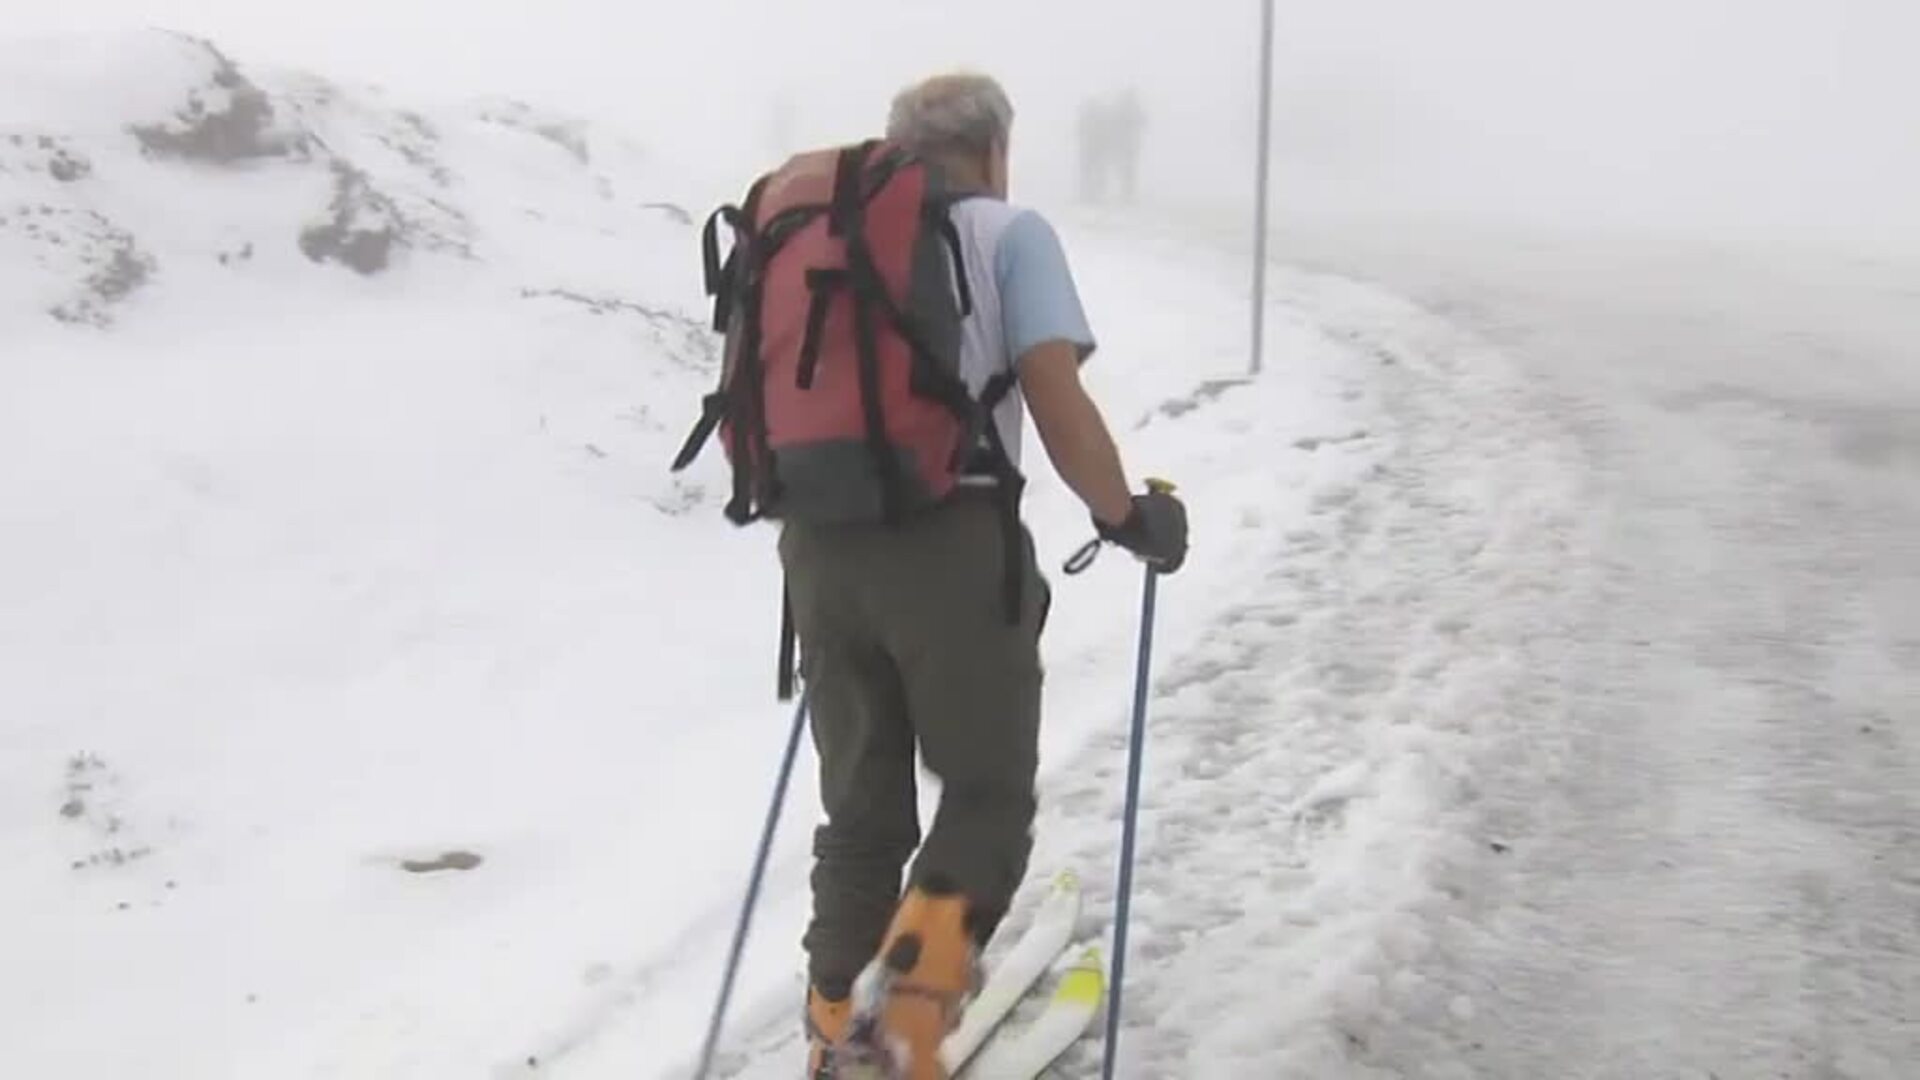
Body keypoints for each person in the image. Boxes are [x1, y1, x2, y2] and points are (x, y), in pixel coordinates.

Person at [786, 72, 1188, 1079]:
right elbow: (1052, 394)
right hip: (951, 545)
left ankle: (836, 1019)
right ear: (996, 149)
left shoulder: (821, 234)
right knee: (987, 797)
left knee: (863, 810)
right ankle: (899, 1036)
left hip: (818, 547)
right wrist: (1128, 517)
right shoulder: (1010, 235)